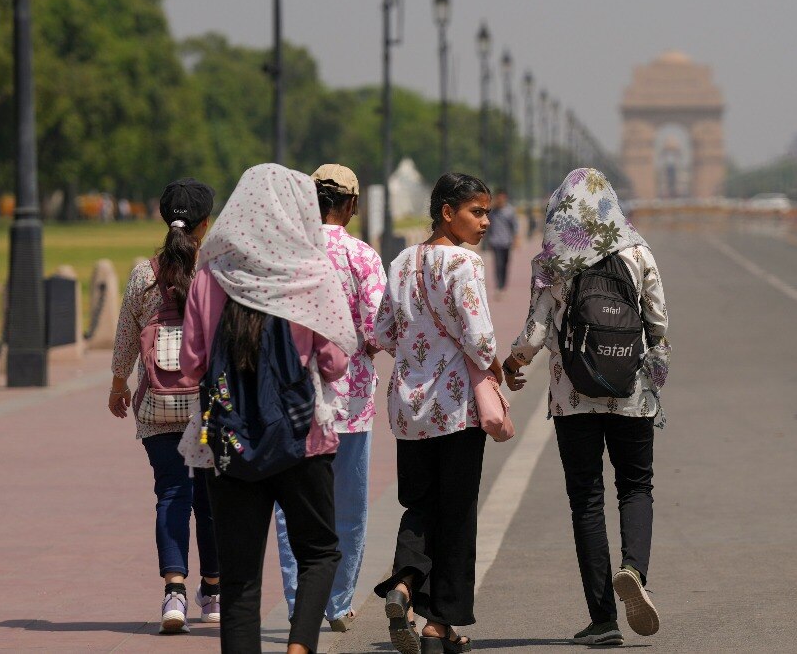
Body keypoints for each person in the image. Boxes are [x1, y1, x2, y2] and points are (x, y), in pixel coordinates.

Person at [178, 163, 356, 654]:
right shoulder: (312, 275)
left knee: (238, 582)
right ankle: (300, 646)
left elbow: (191, 366)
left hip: (230, 446)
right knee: (319, 552)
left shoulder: (210, 277)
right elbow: (336, 362)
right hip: (303, 440)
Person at [502, 168, 670, 646]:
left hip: (572, 394)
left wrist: (512, 366)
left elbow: (535, 331)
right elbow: (658, 325)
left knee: (587, 498)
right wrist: (653, 381)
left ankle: (603, 620)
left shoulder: (557, 260)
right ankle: (634, 569)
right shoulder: (639, 253)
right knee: (636, 485)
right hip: (630, 392)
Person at [371, 172, 505, 654]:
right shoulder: (465, 263)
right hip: (455, 408)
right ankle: (438, 626)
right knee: (457, 514)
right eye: (477, 211)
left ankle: (404, 584)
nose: (486, 221)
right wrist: (497, 367)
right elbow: (480, 337)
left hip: (409, 408)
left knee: (420, 506)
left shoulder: (403, 260)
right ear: (447, 212)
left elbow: (383, 331)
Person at [273, 164, 386, 632]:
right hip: (351, 399)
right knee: (348, 504)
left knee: (290, 509)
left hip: (290, 396)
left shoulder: (285, 252)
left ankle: (302, 598)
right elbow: (378, 328)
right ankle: (337, 602)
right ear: (352, 206)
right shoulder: (362, 256)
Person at [108, 177, 220, 634]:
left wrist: (118, 385)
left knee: (171, 493)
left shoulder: (143, 274)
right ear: (205, 224)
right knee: (209, 499)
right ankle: (212, 592)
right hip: (207, 405)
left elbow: (125, 339)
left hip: (157, 406)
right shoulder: (215, 272)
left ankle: (174, 591)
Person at [483, 188, 518, 294]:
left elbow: (514, 226)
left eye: (502, 197)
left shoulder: (510, 211)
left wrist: (516, 240)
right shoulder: (492, 212)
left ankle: (503, 284)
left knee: (505, 264)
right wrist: (486, 240)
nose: (500, 199)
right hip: (495, 241)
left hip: (507, 242)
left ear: (505, 198)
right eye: (498, 197)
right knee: (498, 264)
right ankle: (499, 286)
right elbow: (488, 227)